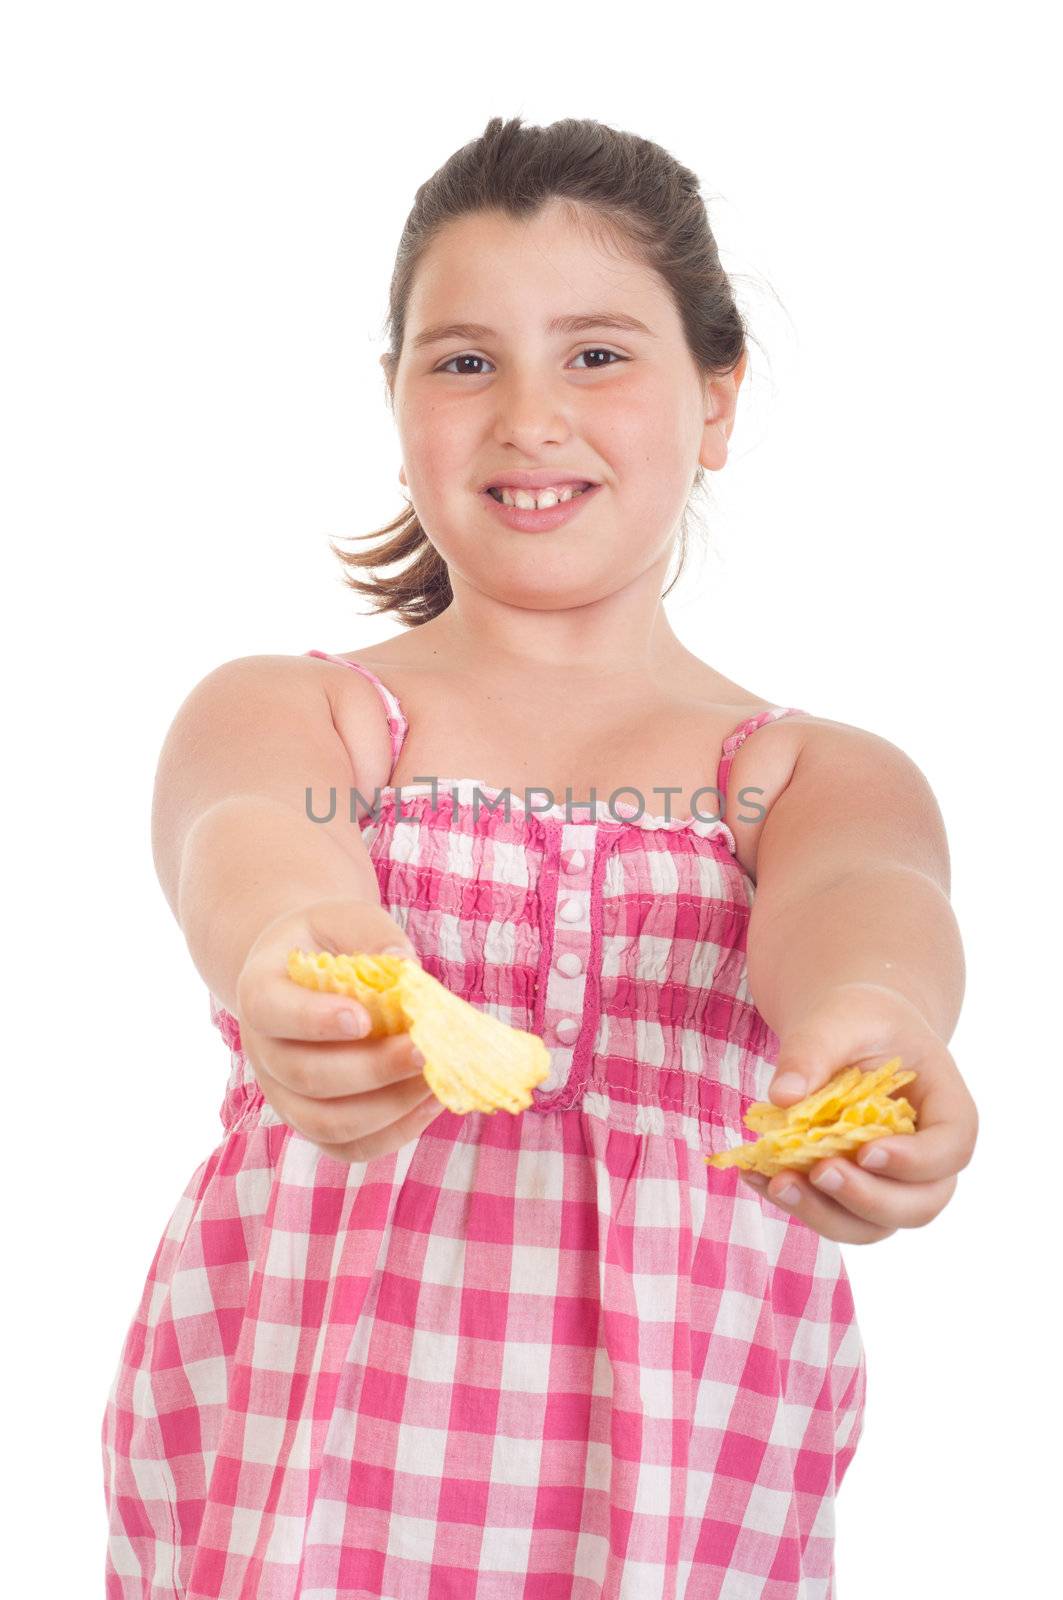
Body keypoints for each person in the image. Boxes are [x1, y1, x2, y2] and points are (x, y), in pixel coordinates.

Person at [101, 114, 979, 1599]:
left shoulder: (804, 774)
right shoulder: (303, 712)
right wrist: (307, 963)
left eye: (596, 354)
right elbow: (251, 846)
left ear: (717, 397)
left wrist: (871, 1042)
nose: (528, 415)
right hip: (301, 1476)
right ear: (396, 402)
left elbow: (861, 906)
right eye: (462, 361)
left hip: (686, 1480)